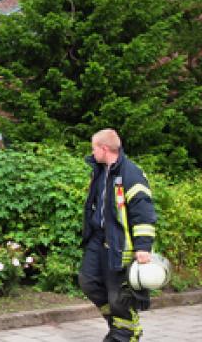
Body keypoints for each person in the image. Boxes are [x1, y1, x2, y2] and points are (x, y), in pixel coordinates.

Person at [79, 129, 157, 342]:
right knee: (88, 281)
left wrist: (143, 247)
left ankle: (125, 333)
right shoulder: (100, 170)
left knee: (118, 296)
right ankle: (118, 324)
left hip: (119, 244)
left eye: (94, 148)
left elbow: (143, 212)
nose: (92, 153)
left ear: (104, 149)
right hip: (98, 238)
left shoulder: (131, 174)